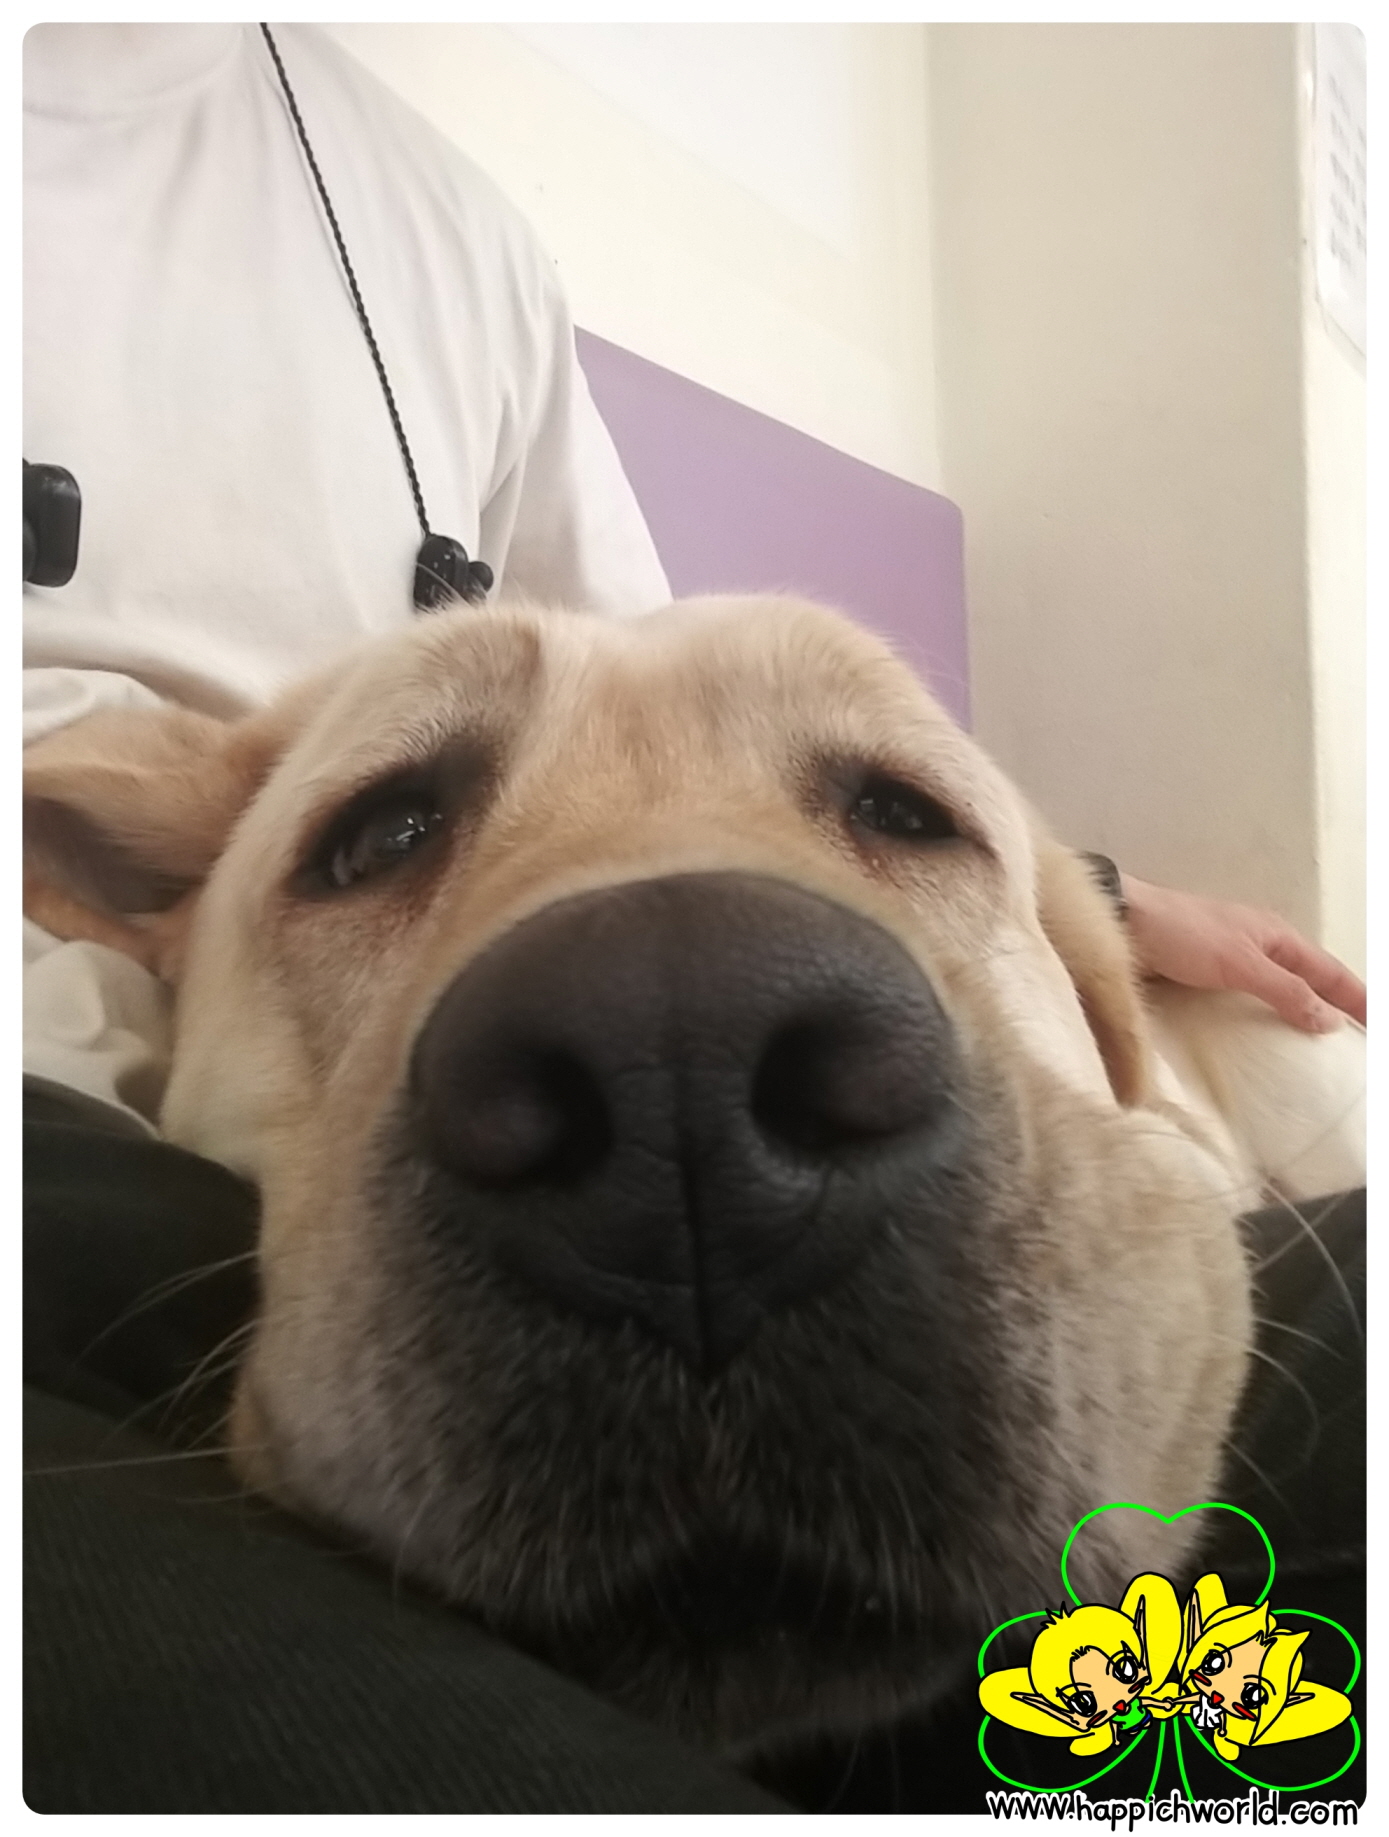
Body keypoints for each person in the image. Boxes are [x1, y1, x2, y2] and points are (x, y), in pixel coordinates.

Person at [22, 23, 1364, 1817]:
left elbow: (653, 713)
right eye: (388, 831)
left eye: (896, 808)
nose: (685, 1015)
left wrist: (1098, 896)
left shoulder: (442, 225)